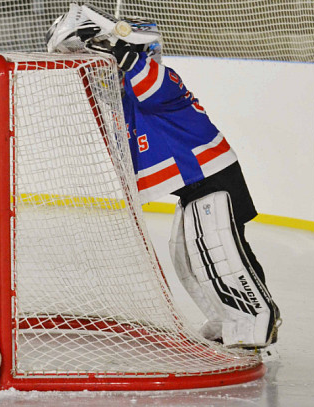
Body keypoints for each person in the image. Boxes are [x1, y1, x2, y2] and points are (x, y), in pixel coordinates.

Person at [47, 3, 281, 349]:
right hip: (194, 185)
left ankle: (257, 320)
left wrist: (113, 45)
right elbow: (107, 86)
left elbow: (148, 82)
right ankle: (224, 318)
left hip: (213, 177)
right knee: (187, 257)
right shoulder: (128, 92)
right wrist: (90, 48)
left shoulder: (160, 78)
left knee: (221, 250)